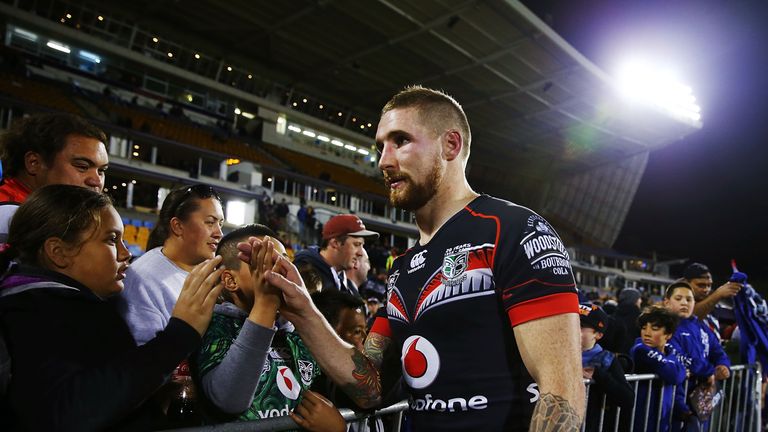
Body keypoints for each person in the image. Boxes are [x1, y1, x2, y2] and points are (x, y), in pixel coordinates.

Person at [248, 86, 584, 430]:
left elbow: (561, 389)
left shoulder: (516, 230)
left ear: (450, 145)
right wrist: (303, 311)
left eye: (401, 141)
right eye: (380, 147)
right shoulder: (403, 269)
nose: (384, 161)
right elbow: (370, 388)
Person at [0, 185, 222, 430]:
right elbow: (69, 412)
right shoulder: (35, 311)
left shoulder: (57, 301)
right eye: (111, 239)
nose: (125, 253)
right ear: (59, 252)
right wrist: (180, 334)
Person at [192, 224, 344, 431]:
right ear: (230, 280)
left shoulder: (299, 331)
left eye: (282, 261)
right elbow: (229, 400)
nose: (277, 271)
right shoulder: (213, 326)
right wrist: (266, 305)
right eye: (261, 261)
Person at [117, 184, 224, 345]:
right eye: (210, 222)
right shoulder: (143, 280)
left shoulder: (208, 272)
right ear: (178, 226)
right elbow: (144, 359)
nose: (219, 233)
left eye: (220, 224)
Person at [0, 113, 109, 243]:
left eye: (101, 171)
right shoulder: (11, 215)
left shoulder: (45, 214)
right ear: (33, 163)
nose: (96, 181)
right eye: (82, 166)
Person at [663, 280, 730, 430]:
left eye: (689, 299)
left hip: (700, 398)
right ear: (667, 302)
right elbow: (679, 357)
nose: (684, 303)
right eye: (678, 299)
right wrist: (709, 371)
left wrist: (723, 365)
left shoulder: (702, 328)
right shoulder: (665, 327)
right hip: (675, 398)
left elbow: (717, 350)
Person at [293, 214, 378, 297]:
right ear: (335, 243)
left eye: (362, 245)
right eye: (356, 244)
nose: (360, 253)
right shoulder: (304, 273)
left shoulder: (341, 281)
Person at [579, 303, 633, 432]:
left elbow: (628, 399)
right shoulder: (556, 353)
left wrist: (598, 374)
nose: (572, 329)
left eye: (580, 326)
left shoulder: (606, 360)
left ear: (598, 335)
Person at [630, 306, 686, 432]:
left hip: (663, 421)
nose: (647, 333)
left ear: (668, 334)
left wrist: (683, 409)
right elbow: (675, 375)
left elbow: (678, 382)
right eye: (644, 328)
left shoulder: (671, 352)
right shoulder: (640, 350)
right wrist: (680, 370)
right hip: (641, 421)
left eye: (654, 329)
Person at [684, 262, 742, 338]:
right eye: (700, 285)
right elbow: (690, 318)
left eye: (709, 285)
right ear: (686, 283)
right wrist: (717, 295)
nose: (706, 290)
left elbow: (716, 331)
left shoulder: (711, 306)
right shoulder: (676, 303)